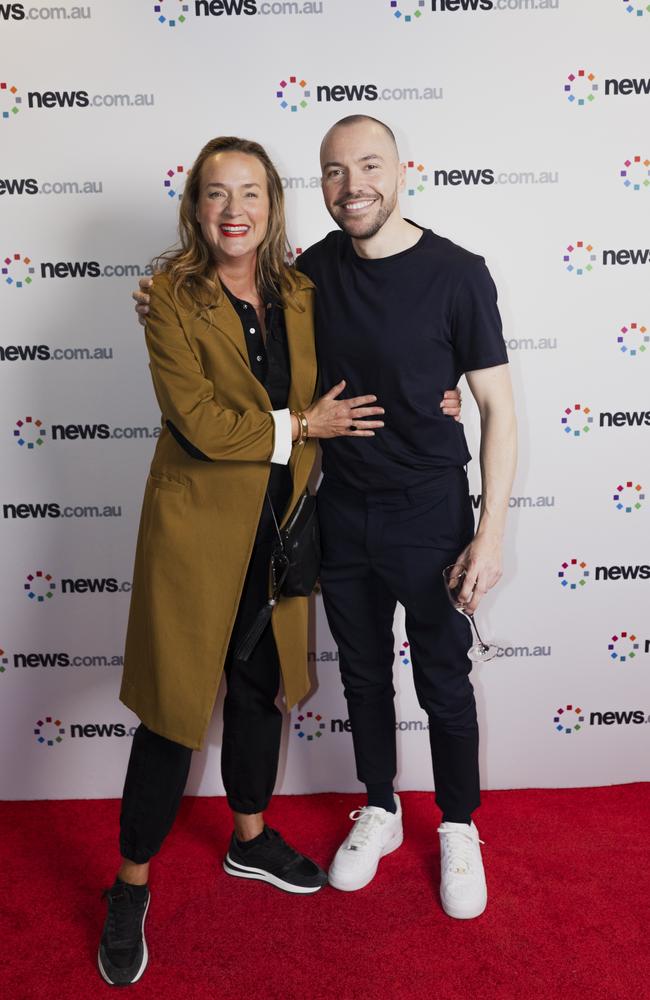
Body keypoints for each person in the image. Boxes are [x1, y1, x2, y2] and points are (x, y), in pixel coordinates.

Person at [106, 132, 462, 987]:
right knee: (171, 713)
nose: (235, 211)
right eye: (217, 194)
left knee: (262, 689)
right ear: (195, 207)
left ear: (273, 206)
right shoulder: (169, 297)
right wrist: (301, 427)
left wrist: (437, 388)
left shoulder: (304, 289)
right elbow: (200, 423)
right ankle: (130, 885)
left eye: (252, 194)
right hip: (196, 539)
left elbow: (378, 344)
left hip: (288, 530)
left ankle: (251, 837)